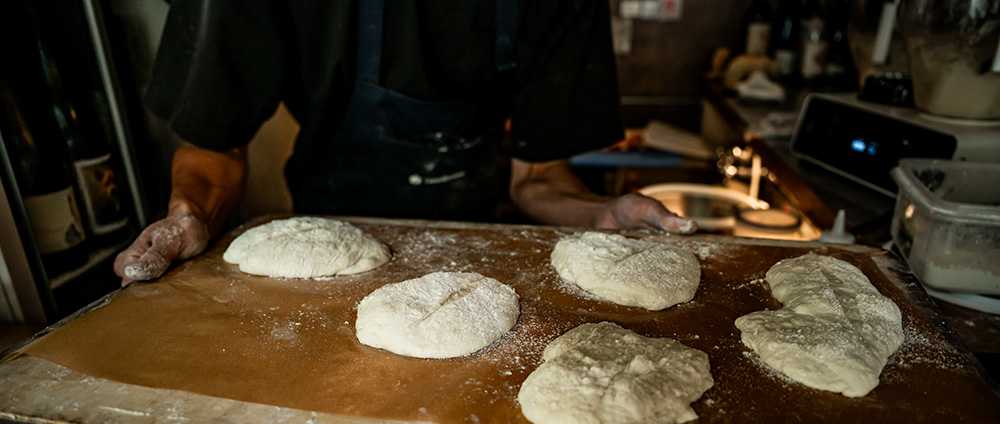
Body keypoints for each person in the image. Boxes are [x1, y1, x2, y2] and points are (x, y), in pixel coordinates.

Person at [114, 0, 695, 284]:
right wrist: (188, 215)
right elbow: (214, 150)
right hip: (316, 263)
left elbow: (539, 179)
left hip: (476, 263)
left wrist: (600, 214)